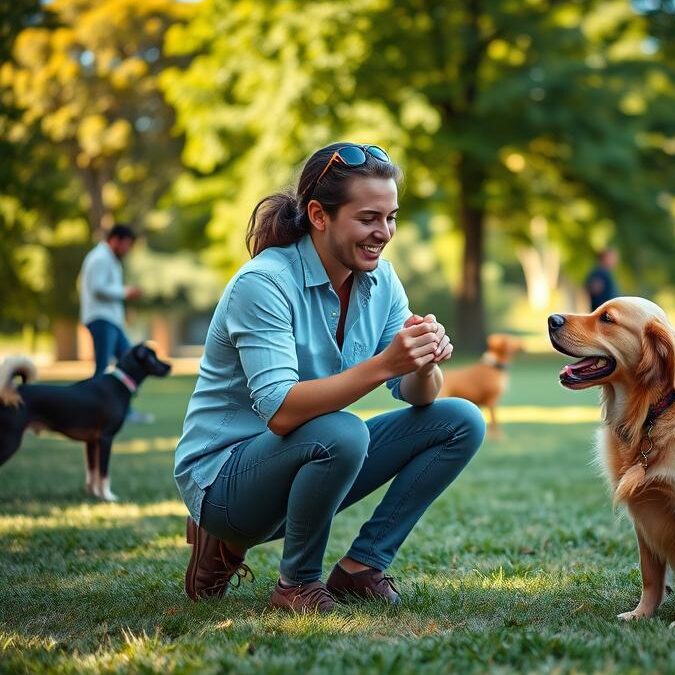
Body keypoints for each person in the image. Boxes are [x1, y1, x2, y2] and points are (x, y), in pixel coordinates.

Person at [174, 142, 485, 614]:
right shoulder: (264, 283)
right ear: (319, 215)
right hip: (225, 480)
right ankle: (294, 583)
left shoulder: (381, 280)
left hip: (305, 459)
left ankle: (362, 568)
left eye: (391, 217)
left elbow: (416, 395)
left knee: (459, 418)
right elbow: (280, 414)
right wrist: (385, 363)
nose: (383, 233)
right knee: (341, 431)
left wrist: (422, 361)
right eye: (368, 218)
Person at [78, 224, 152, 424]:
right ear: (115, 240)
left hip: (111, 320)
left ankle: (123, 410)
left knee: (129, 363)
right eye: (126, 244)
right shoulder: (100, 258)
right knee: (103, 367)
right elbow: (97, 288)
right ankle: (93, 411)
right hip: (101, 319)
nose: (127, 250)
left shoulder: (110, 259)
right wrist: (125, 292)